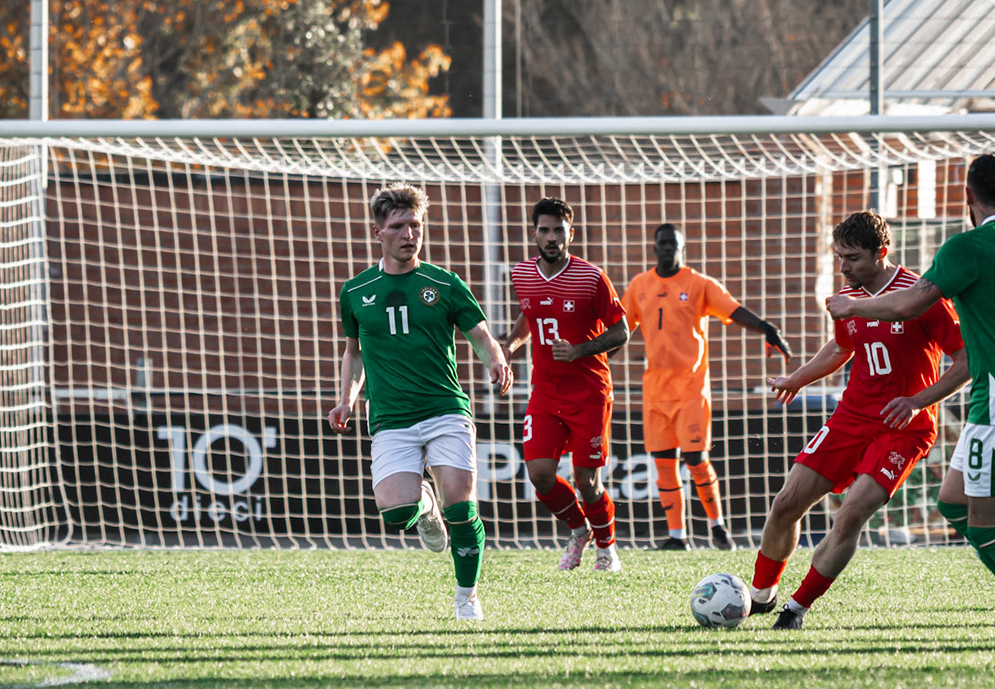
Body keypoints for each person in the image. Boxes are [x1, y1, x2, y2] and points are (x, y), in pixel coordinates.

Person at [828, 153, 995, 651]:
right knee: (952, 503)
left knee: (989, 525)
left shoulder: (967, 247)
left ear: (968, 196)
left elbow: (909, 303)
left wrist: (853, 305)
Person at [748, 212, 967, 628]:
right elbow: (840, 348)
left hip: (904, 428)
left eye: (852, 258)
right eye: (839, 257)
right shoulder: (849, 299)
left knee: (850, 514)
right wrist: (797, 379)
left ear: (882, 253)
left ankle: (795, 610)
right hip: (851, 416)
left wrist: (917, 402)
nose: (843, 267)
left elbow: (967, 360)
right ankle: (760, 597)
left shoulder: (922, 296)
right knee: (786, 504)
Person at [329, 183, 515, 621]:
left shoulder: (444, 283)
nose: (409, 234)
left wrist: (495, 359)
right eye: (398, 226)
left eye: (415, 224)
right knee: (397, 512)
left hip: (445, 409)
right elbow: (354, 353)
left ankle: (466, 597)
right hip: (391, 417)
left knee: (461, 506)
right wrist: (346, 400)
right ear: (377, 232)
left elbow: (480, 334)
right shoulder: (355, 291)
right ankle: (425, 507)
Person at [622, 223, 790, 551]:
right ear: (654, 248)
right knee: (663, 464)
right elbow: (622, 330)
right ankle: (677, 537)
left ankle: (718, 527)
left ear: (682, 248)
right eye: (662, 243)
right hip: (655, 391)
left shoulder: (699, 284)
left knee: (696, 459)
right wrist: (593, 358)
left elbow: (733, 310)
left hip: (691, 389)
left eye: (673, 244)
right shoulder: (639, 285)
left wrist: (766, 328)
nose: (667, 248)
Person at [504, 197, 630, 572]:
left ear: (570, 234)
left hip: (589, 393)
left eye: (558, 230)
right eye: (544, 230)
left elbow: (622, 331)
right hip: (544, 392)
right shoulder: (521, 274)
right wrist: (510, 346)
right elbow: (530, 315)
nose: (551, 237)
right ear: (534, 234)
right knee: (540, 474)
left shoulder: (592, 277)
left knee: (586, 481)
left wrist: (579, 351)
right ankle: (579, 530)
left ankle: (607, 549)